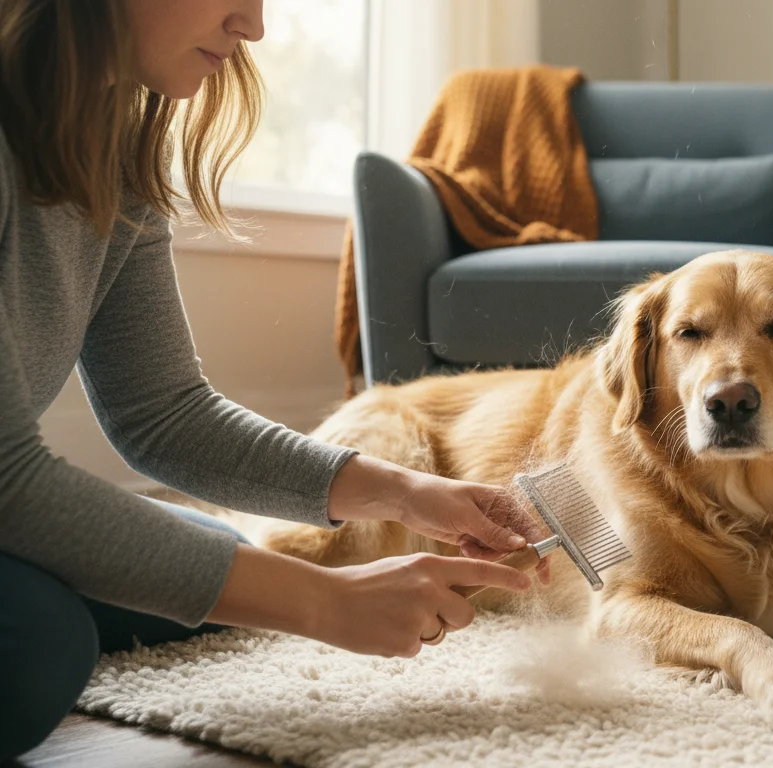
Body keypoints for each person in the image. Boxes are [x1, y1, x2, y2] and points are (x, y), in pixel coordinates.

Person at [0, 0, 547, 758]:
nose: (252, 27)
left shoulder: (115, 152)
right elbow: (5, 479)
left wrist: (405, 491)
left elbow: (162, 414)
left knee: (212, 556)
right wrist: (324, 602)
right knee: (42, 642)